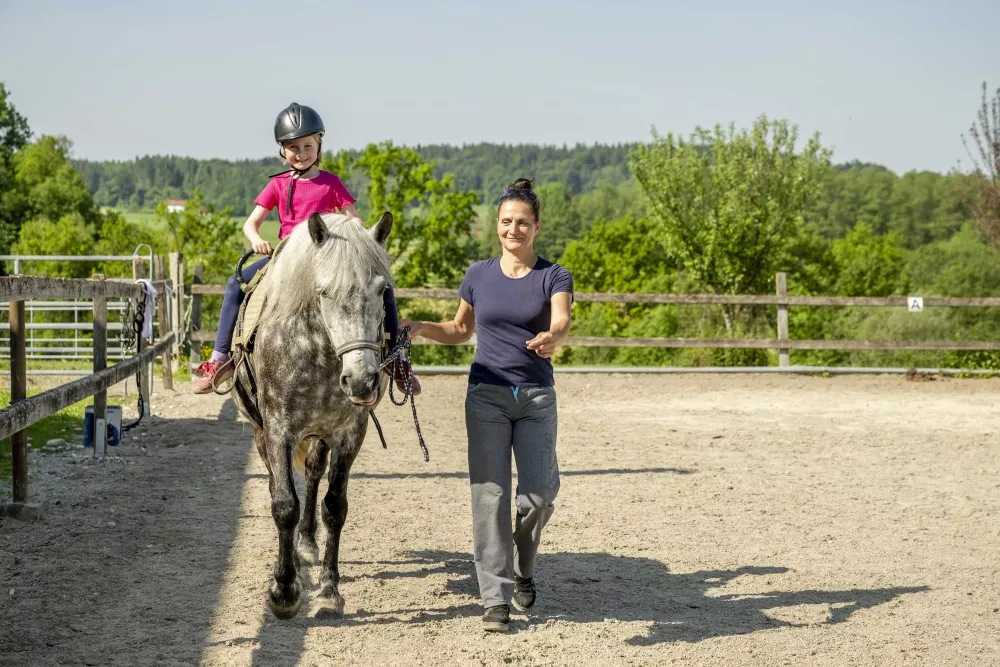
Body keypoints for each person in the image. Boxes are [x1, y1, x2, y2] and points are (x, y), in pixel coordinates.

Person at [400, 178, 573, 633]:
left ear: (536, 227)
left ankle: (525, 566)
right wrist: (418, 327)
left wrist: (553, 337)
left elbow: (561, 319)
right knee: (489, 497)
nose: (512, 230)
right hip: (486, 398)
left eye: (521, 223)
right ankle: (495, 598)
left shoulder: (554, 275)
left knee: (537, 497)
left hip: (536, 397)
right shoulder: (477, 275)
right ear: (496, 225)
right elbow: (460, 330)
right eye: (505, 222)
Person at [192, 102, 420, 395]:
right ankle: (220, 359)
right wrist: (256, 240)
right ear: (282, 151)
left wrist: (361, 242)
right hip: (288, 257)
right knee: (233, 286)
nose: (301, 153)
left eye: (307, 146)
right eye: (293, 147)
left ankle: (395, 359)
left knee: (381, 287)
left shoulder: (331, 183)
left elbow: (353, 218)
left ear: (319, 145)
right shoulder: (276, 185)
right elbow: (250, 224)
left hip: (330, 258)